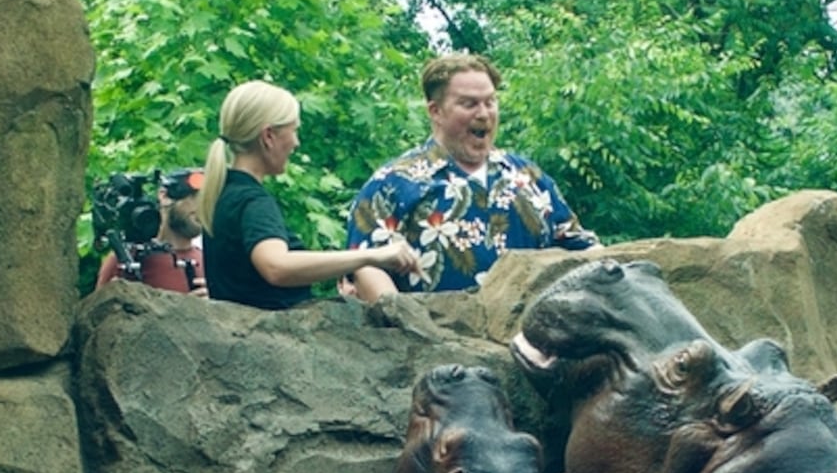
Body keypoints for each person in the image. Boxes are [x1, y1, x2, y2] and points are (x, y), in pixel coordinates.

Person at [344, 53, 599, 302]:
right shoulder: (391, 186)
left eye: (490, 102)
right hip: (429, 339)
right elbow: (366, 268)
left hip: (531, 339)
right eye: (469, 104)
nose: (484, 113)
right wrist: (405, 328)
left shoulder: (529, 178)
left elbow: (584, 248)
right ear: (436, 111)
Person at [199, 80, 421, 310]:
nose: (296, 142)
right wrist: (370, 257)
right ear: (268, 136)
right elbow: (276, 267)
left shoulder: (221, 193)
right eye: (293, 130)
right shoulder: (253, 201)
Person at [95, 168, 208, 296]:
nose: (203, 208)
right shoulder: (126, 259)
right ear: (164, 196)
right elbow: (97, 313)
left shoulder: (211, 262)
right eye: (194, 197)